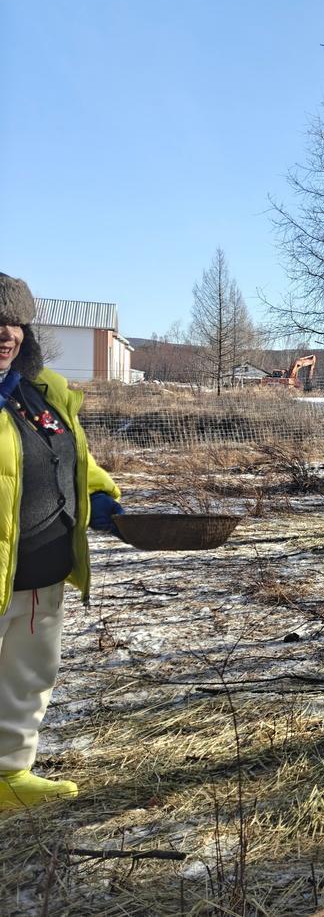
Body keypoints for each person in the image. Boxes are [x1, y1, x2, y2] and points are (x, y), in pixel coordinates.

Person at [0, 273, 124, 811]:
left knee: (28, 676)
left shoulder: (40, 390)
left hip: (43, 565)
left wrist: (98, 498)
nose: (5, 333)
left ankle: (9, 774)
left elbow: (73, 456)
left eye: (14, 322)